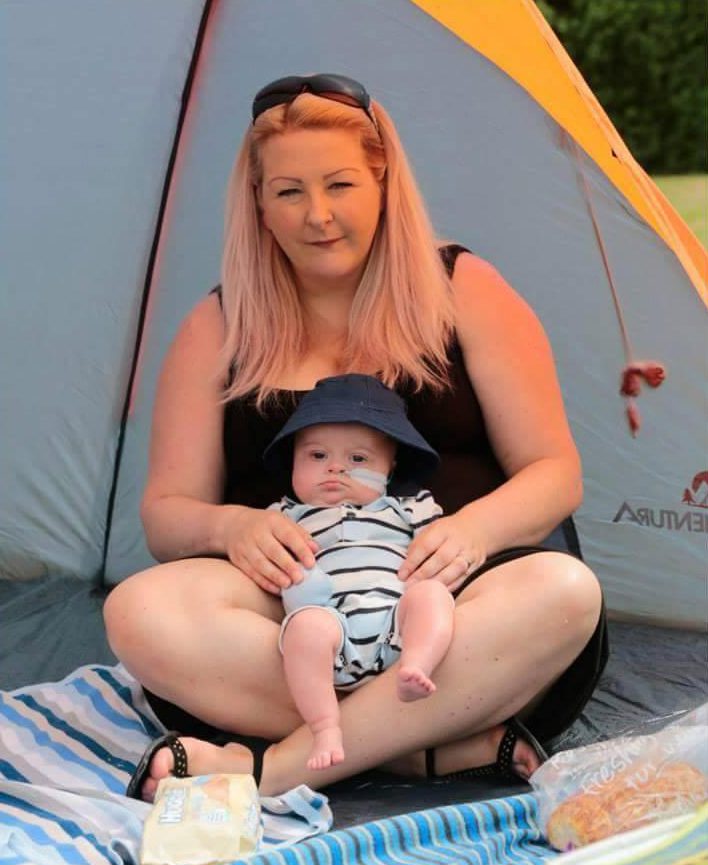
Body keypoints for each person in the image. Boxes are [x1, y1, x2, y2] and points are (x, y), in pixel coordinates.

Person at [103, 73, 608, 802]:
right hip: (296, 629)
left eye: (340, 185)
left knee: (564, 591)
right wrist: (229, 526)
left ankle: (266, 771)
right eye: (288, 192)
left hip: (457, 622)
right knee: (136, 611)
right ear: (258, 205)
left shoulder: (463, 287)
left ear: (382, 182)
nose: (318, 216)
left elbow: (555, 472)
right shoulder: (217, 326)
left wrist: (473, 530)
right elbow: (165, 514)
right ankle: (418, 747)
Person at [264, 373, 455, 770]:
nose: (335, 469)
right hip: (335, 632)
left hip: (396, 621)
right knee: (306, 628)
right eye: (317, 456)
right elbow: (264, 557)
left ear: (389, 468)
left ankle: (417, 665)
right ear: (293, 461)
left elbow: (445, 547)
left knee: (432, 595)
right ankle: (325, 725)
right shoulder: (285, 516)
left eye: (358, 460)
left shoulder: (407, 507)